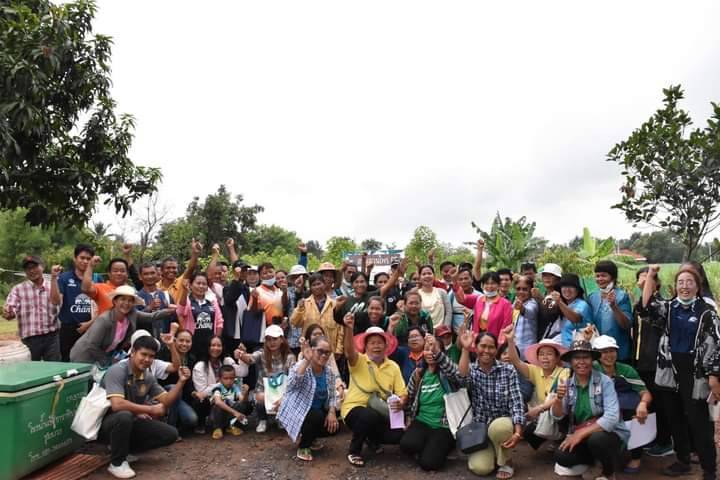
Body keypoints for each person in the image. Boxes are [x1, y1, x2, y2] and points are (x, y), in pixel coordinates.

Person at [640, 265, 718, 480]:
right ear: (675, 286)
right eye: (680, 282)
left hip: (695, 374)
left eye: (689, 282)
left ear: (697, 287)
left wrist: (714, 376)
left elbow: (716, 344)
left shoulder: (706, 312)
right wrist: (651, 275)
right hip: (669, 371)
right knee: (675, 419)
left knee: (699, 423)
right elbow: (646, 307)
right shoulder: (668, 307)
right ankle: (683, 460)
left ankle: (709, 470)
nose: (685, 286)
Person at [434, 328, 524, 479]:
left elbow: (517, 402)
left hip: (502, 423)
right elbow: (461, 377)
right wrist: (465, 349)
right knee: (481, 468)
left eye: (491, 347)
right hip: (480, 428)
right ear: (476, 348)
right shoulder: (472, 370)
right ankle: (495, 452)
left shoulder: (508, 370)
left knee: (499, 428)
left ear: (496, 350)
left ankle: (506, 462)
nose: (486, 351)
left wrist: (517, 432)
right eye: (483, 346)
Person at [99, 335, 190, 479]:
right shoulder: (117, 370)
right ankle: (117, 462)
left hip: (129, 422)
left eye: (151, 356)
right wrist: (150, 409)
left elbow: (166, 400)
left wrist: (181, 382)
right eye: (143, 354)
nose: (147, 359)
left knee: (171, 434)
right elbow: (117, 405)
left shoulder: (147, 376)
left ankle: (123, 450)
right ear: (133, 352)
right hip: (104, 425)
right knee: (124, 415)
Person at [551, 340, 630, 480]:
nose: (581, 362)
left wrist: (580, 434)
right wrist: (558, 399)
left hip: (607, 434)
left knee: (597, 440)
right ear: (571, 361)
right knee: (561, 456)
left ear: (592, 360)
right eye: (577, 358)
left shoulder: (604, 381)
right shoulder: (567, 383)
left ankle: (608, 472)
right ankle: (594, 462)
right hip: (583, 434)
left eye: (586, 357)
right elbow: (558, 416)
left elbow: (612, 418)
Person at [341, 313, 406, 467]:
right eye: (372, 343)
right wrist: (348, 328)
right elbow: (349, 351)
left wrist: (401, 402)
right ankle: (354, 451)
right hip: (355, 409)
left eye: (380, 343)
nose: (376, 346)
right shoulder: (358, 360)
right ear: (366, 346)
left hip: (380, 410)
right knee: (369, 416)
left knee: (398, 435)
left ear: (386, 346)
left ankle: (371, 439)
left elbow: (402, 392)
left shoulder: (393, 367)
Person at [591, 335, 652, 474]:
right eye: (604, 351)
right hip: (601, 405)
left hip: (624, 404)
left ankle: (636, 456)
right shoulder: (592, 369)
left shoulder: (626, 370)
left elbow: (645, 392)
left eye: (612, 351)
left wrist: (643, 404)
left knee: (638, 416)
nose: (609, 355)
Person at [70, 285, 174, 366]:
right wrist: (109, 361)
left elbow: (151, 317)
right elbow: (91, 345)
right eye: (123, 299)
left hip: (103, 356)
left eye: (130, 300)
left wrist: (169, 311)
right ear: (115, 301)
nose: (126, 303)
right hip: (84, 356)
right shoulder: (104, 320)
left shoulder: (132, 314)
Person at [502, 324, 569, 450]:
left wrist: (539, 408)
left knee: (558, 408)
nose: (545, 357)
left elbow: (562, 397)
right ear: (537, 358)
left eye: (549, 354)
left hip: (561, 414)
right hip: (544, 415)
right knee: (528, 433)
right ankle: (552, 436)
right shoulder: (536, 371)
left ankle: (561, 438)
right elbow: (516, 361)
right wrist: (510, 340)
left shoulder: (564, 372)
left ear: (557, 358)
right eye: (542, 354)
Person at [400, 334, 459, 471]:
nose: (430, 352)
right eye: (427, 349)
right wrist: (408, 417)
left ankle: (442, 447)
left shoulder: (447, 373)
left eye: (435, 349)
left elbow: (458, 374)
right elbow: (410, 396)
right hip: (422, 420)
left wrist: (437, 353)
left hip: (443, 425)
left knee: (429, 464)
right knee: (406, 444)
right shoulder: (419, 373)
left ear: (441, 353)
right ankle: (431, 446)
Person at [631, 266, 672, 457]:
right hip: (641, 360)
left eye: (648, 278)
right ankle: (653, 438)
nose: (643, 280)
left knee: (661, 403)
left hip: (655, 361)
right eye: (641, 277)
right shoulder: (638, 305)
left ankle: (665, 441)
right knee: (650, 402)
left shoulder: (661, 304)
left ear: (656, 283)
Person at [278, 335, 339, 461]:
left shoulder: (329, 372)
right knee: (316, 416)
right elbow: (292, 384)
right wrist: (306, 361)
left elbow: (333, 395)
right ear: (312, 350)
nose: (324, 355)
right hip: (298, 410)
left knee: (334, 424)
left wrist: (332, 412)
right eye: (320, 351)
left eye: (327, 352)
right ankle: (303, 446)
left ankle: (311, 437)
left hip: (316, 410)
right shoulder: (301, 366)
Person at [235, 324, 296, 433]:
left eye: (275, 339)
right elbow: (250, 359)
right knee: (260, 397)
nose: (272, 342)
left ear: (282, 340)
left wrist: (285, 396)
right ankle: (262, 420)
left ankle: (281, 418)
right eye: (268, 339)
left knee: (286, 396)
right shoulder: (261, 353)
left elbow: (293, 379)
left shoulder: (290, 357)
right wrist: (241, 354)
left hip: (282, 392)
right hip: (264, 391)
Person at [3, 255, 61, 361]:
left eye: (34, 267)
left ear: (42, 267)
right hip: (29, 339)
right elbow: (10, 312)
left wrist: (54, 278)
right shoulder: (18, 289)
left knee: (54, 368)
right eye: (28, 268)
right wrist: (8, 313)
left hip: (52, 337)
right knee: (31, 368)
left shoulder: (52, 285)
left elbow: (57, 302)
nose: (32, 271)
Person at [191, 336, 249, 434]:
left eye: (219, 345)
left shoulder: (227, 361)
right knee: (199, 400)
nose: (216, 348)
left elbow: (243, 372)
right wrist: (221, 384)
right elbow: (202, 392)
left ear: (223, 347)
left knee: (246, 404)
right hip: (210, 401)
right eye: (213, 345)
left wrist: (243, 356)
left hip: (227, 398)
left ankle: (229, 424)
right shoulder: (200, 366)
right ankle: (202, 423)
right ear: (207, 347)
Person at [334, 259, 407, 335]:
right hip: (354, 337)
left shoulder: (373, 295)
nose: (359, 285)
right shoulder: (346, 300)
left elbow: (388, 285)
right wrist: (337, 307)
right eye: (356, 282)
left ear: (366, 283)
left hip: (375, 335)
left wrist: (398, 271)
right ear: (352, 284)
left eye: (362, 282)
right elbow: (339, 320)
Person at [587, 261, 633, 362]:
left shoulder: (622, 296)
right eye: (597, 276)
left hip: (618, 351)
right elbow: (589, 323)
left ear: (613, 278)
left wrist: (614, 306)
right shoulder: (592, 297)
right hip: (598, 351)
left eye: (603, 276)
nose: (600, 279)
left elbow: (626, 325)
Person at [55, 244, 95, 361]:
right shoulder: (64, 278)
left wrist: (90, 323)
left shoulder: (96, 278)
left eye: (88, 259)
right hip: (68, 329)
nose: (85, 261)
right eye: (82, 258)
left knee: (89, 361)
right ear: (75, 258)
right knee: (67, 361)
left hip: (91, 328)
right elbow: (57, 301)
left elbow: (101, 306)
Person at [290, 273, 341, 359]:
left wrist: (339, 349)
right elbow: (294, 323)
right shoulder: (304, 304)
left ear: (324, 284)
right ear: (310, 288)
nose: (317, 287)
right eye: (314, 285)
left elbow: (340, 329)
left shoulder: (334, 304)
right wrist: (300, 309)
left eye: (319, 284)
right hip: (309, 351)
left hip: (329, 351)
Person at [158, 328, 198, 434]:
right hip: (163, 393)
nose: (184, 344)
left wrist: (193, 392)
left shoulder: (191, 358)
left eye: (188, 341)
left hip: (180, 397)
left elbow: (189, 384)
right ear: (175, 340)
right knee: (174, 388)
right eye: (181, 340)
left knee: (192, 419)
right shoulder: (165, 353)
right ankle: (170, 429)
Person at [176, 271, 224, 357]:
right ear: (191, 285)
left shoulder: (212, 302)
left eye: (204, 284)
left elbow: (219, 322)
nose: (201, 286)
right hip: (191, 344)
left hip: (209, 347)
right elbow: (180, 311)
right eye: (198, 283)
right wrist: (184, 291)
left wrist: (216, 341)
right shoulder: (187, 301)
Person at [455, 271, 513, 338]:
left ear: (498, 285)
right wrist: (454, 282)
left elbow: (506, 325)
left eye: (493, 283)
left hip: (494, 340)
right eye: (487, 283)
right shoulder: (478, 299)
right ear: (482, 285)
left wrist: (500, 342)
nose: (490, 286)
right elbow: (461, 299)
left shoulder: (505, 304)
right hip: (477, 339)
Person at [547, 274, 593, 347]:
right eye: (564, 286)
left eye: (571, 286)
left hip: (581, 349)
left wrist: (560, 302)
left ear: (577, 290)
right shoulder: (565, 305)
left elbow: (575, 319)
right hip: (567, 349)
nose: (567, 289)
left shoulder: (582, 304)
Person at [209, 365, 252, 439]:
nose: (229, 381)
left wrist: (246, 393)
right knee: (219, 406)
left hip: (229, 414)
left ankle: (231, 426)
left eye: (231, 378)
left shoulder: (235, 387)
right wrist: (235, 413)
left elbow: (242, 400)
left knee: (243, 404)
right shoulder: (217, 388)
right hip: (216, 416)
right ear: (220, 379)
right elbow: (218, 402)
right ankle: (217, 428)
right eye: (226, 378)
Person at [136, 262, 175, 337]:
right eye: (146, 274)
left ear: (158, 274)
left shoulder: (166, 295)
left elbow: (174, 320)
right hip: (144, 340)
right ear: (140, 277)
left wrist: (172, 333)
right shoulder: (136, 298)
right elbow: (133, 320)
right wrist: (149, 308)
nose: (150, 276)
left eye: (152, 273)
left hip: (165, 340)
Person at [249, 262, 288, 327]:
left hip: (279, 328)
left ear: (274, 273)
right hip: (264, 328)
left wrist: (285, 292)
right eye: (265, 273)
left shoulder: (279, 291)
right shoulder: (257, 291)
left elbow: (284, 305)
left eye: (270, 272)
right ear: (260, 277)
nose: (268, 274)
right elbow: (253, 312)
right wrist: (255, 299)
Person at [533, 263, 562, 341]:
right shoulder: (545, 294)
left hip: (553, 338)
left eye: (551, 275)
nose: (547, 278)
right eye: (545, 275)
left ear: (558, 279)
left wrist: (539, 298)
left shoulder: (559, 295)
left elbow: (551, 313)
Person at [512, 275, 539, 360]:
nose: (521, 292)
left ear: (531, 290)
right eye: (518, 289)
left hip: (527, 351)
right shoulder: (515, 303)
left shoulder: (533, 303)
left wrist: (522, 308)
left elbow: (530, 312)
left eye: (525, 289)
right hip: (514, 349)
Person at [286, 264, 310, 355]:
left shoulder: (309, 292)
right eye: (295, 277)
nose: (299, 279)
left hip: (306, 336)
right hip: (292, 337)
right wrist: (298, 289)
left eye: (301, 276)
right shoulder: (287, 292)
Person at [449, 267, 478, 334]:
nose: (463, 281)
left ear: (472, 279)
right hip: (455, 333)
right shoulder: (452, 294)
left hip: (473, 333)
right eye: (460, 279)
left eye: (466, 278)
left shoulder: (479, 296)